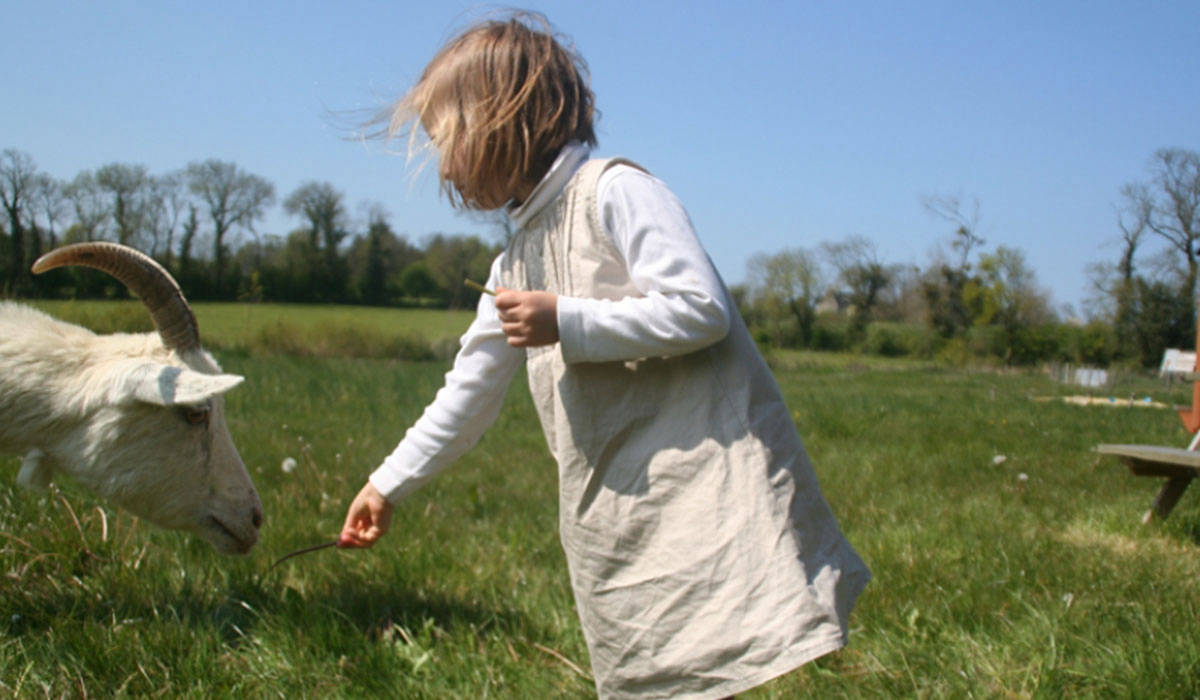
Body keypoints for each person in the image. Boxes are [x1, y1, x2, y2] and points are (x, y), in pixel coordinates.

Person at [339, 12, 870, 700]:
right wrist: (387, 483)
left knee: (722, 646)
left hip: (697, 476)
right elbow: (466, 395)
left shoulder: (616, 191)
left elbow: (701, 307)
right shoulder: (514, 260)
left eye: (449, 140)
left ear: (505, 119)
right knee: (648, 664)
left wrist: (567, 320)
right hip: (614, 503)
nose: (443, 166)